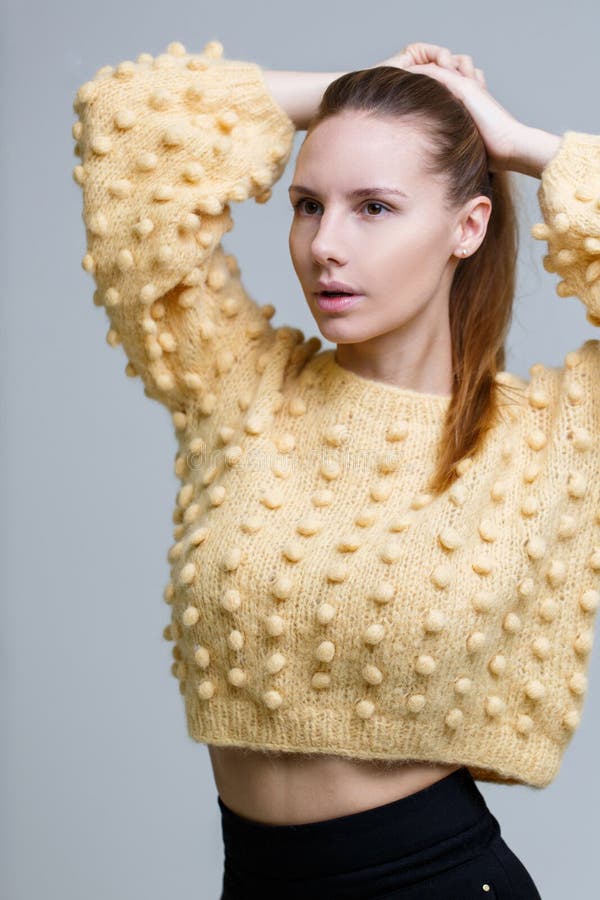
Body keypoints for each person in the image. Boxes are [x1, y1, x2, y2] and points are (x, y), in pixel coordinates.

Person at [72, 37, 600, 898]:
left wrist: (510, 141)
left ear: (468, 226)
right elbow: (124, 123)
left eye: (376, 208)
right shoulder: (239, 386)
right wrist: (357, 95)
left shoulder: (555, 435)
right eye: (309, 205)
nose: (326, 245)